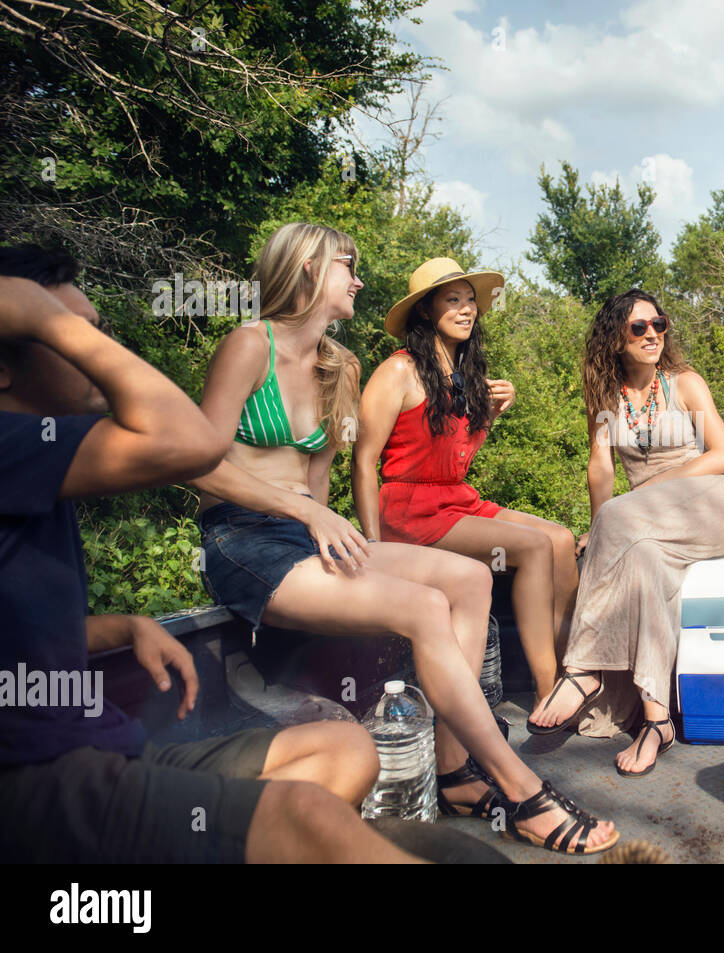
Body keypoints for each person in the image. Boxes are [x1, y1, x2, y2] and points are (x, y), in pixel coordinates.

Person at [192, 224, 617, 854]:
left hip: (305, 534)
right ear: (309, 269)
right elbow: (198, 461)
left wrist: (329, 526)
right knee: (424, 605)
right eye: (347, 266)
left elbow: (318, 480)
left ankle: (454, 773)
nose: (358, 279)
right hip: (244, 541)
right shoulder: (248, 346)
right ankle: (522, 788)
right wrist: (312, 516)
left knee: (470, 578)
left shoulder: (339, 366)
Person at [0, 244, 421, 863]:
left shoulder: (42, 459)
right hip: (37, 772)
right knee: (303, 818)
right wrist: (43, 314)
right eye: (69, 335)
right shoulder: (12, 446)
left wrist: (124, 624)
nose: (99, 348)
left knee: (348, 748)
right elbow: (195, 446)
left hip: (109, 743)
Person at [526, 289, 724, 778]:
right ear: (615, 340)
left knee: (623, 520)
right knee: (641, 558)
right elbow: (600, 466)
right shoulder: (606, 397)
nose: (652, 335)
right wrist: (602, 525)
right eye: (638, 328)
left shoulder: (684, 383)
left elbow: (723, 456)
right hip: (645, 523)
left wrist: (626, 508)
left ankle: (581, 669)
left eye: (659, 324)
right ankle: (657, 719)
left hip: (708, 502)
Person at [353, 258, 577, 704]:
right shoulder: (398, 370)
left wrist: (490, 416)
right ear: (425, 312)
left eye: (470, 300)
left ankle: (575, 669)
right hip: (410, 510)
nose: (466, 309)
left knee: (561, 538)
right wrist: (374, 547)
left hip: (455, 499)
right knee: (533, 547)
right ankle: (548, 688)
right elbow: (363, 461)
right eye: (452, 300)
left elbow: (456, 463)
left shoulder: (463, 376)